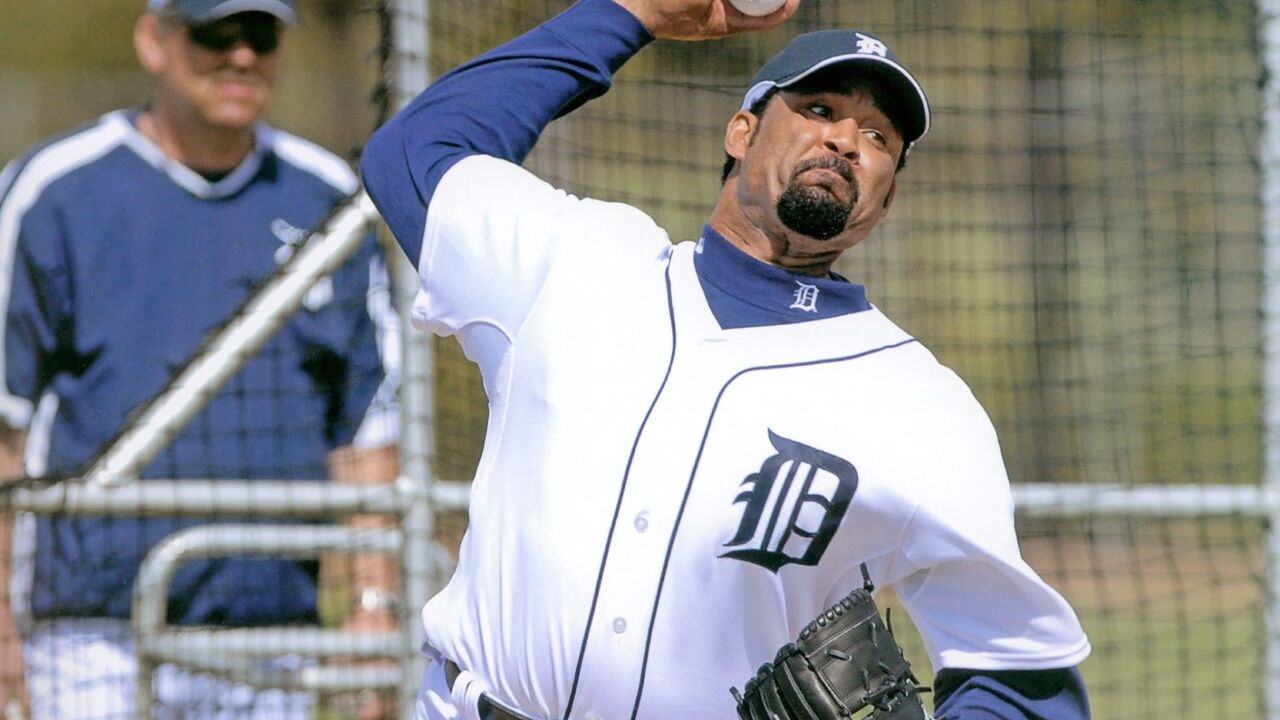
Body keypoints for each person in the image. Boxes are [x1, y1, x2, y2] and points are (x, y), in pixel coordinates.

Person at [360, 0, 1092, 718]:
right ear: (742, 131)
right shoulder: (575, 263)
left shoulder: (921, 406)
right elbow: (414, 152)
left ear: (887, 194)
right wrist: (631, 13)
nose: (846, 141)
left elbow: (1018, 673)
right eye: (819, 109)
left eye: (877, 136)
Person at [0, 0, 400, 718]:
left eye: (261, 35)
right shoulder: (54, 192)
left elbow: (366, 432)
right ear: (154, 40)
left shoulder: (330, 201)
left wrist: (375, 607)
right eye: (216, 32)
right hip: (92, 639)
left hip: (270, 637)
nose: (241, 56)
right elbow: (5, 431)